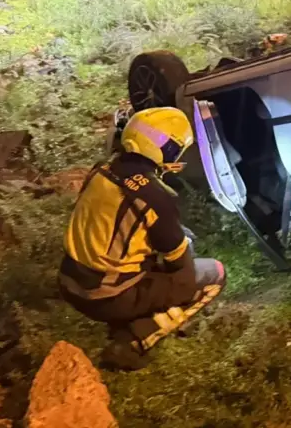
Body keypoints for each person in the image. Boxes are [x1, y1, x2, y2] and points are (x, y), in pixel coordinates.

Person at [59, 107, 226, 371]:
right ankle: (133, 340)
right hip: (106, 296)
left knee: (151, 260)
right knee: (211, 273)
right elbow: (179, 267)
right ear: (168, 149)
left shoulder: (102, 170)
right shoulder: (156, 196)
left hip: (69, 281)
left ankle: (129, 314)